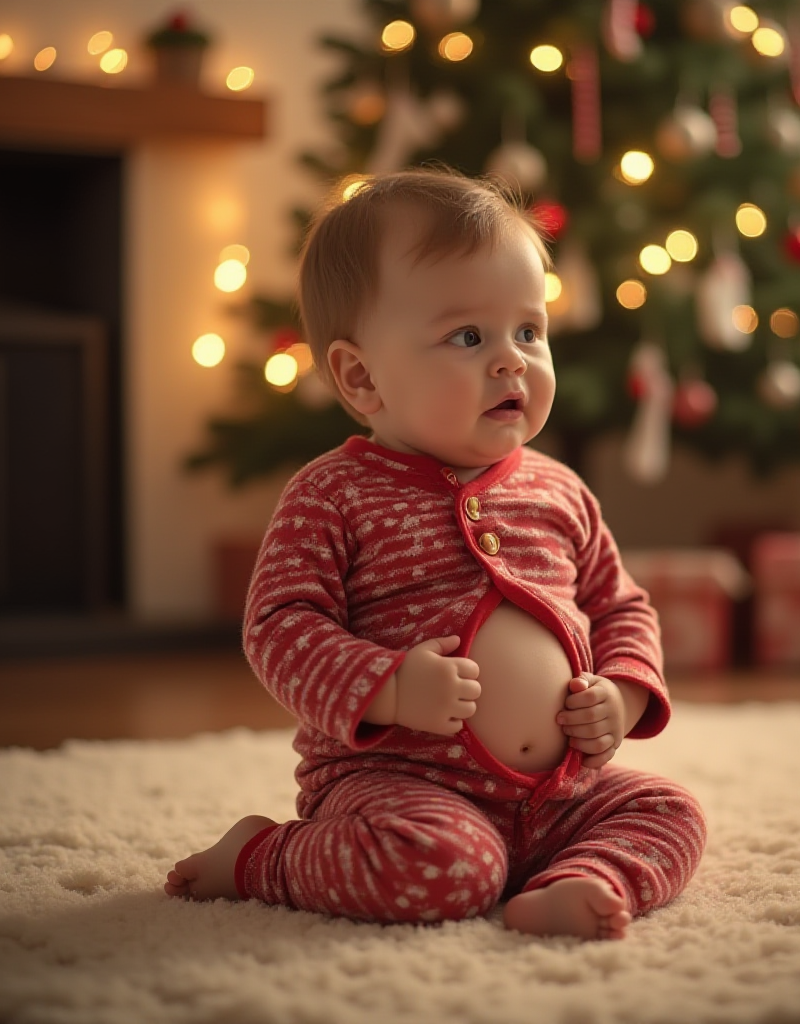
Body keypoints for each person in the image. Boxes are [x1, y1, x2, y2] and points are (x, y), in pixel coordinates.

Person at [165, 168, 706, 940]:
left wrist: (620, 694)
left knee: (669, 812)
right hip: (399, 787)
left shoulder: (560, 490)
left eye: (529, 331)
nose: (511, 360)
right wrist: (384, 688)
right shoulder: (332, 494)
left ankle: (579, 877)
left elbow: (620, 604)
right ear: (361, 376)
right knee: (445, 869)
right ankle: (262, 856)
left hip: (558, 791)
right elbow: (279, 625)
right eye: (467, 337)